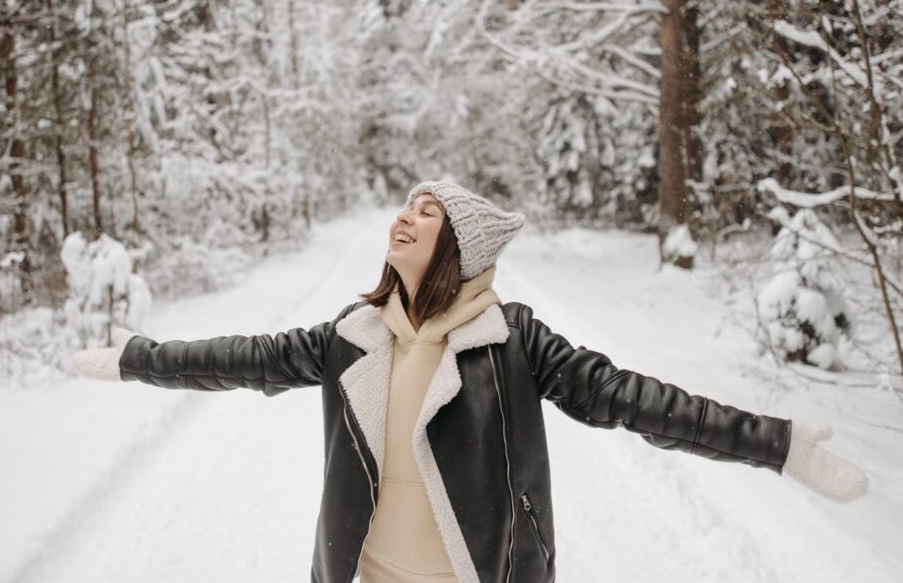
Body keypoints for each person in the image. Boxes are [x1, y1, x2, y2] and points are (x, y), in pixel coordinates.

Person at [73, 179, 868, 583]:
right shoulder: (349, 338)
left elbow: (639, 400)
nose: (405, 217)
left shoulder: (512, 342)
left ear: (461, 246)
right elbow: (238, 358)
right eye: (406, 205)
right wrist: (141, 357)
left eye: (428, 211)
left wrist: (777, 446)